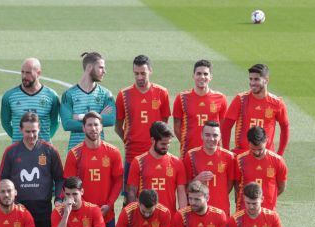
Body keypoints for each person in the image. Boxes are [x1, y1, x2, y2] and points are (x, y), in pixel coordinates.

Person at [127, 121, 186, 227]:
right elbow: (131, 192)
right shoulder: (139, 162)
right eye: (163, 144)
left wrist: (183, 217)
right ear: (153, 139)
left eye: (169, 144)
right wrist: (136, 217)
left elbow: (182, 192)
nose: (166, 147)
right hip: (146, 222)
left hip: (170, 223)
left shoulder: (176, 162)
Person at [115, 55, 170, 194]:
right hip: (132, 154)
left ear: (150, 71)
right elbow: (118, 126)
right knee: (129, 196)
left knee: (155, 194)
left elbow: (164, 124)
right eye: (136, 73)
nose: (139, 77)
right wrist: (128, 140)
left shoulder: (161, 93)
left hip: (155, 154)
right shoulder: (124, 95)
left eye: (143, 73)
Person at [221, 64, 289, 156]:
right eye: (251, 79)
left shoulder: (277, 103)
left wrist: (280, 154)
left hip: (265, 156)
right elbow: (226, 126)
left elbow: (285, 128)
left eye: (256, 79)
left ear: (266, 80)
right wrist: (226, 152)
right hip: (242, 155)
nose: (252, 83)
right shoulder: (240, 99)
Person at [60, 52, 116, 150]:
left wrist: (80, 117)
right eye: (101, 67)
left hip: (98, 151)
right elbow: (67, 124)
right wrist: (99, 117)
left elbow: (111, 120)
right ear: (89, 67)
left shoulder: (106, 94)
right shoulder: (68, 94)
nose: (104, 71)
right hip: (76, 152)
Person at [173, 60, 228, 156]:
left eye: (205, 74)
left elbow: (222, 127)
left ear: (211, 77)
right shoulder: (182, 98)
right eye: (198, 74)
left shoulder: (221, 98)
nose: (202, 77)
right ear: (193, 76)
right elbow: (177, 126)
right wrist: (186, 143)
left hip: (213, 152)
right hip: (189, 152)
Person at [1, 58, 60, 142]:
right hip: (19, 150)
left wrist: (43, 140)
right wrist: (19, 139)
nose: (24, 76)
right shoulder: (9, 96)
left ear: (38, 73)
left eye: (28, 73)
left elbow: (55, 123)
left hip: (43, 150)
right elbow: (5, 123)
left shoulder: (51, 96)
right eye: (22, 72)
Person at [183, 121, 235, 216]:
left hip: (221, 210)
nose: (211, 139)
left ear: (220, 137)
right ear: (202, 135)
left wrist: (219, 195)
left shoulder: (229, 157)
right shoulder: (190, 155)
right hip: (198, 210)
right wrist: (196, 179)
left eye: (215, 135)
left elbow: (230, 184)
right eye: (207, 135)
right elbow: (184, 185)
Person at [234, 126, 287, 211]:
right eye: (253, 149)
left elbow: (281, 187)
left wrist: (266, 200)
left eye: (260, 149)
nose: (256, 152)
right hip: (244, 211)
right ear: (248, 142)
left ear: (266, 141)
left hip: (268, 210)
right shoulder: (240, 160)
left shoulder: (278, 161)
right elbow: (236, 185)